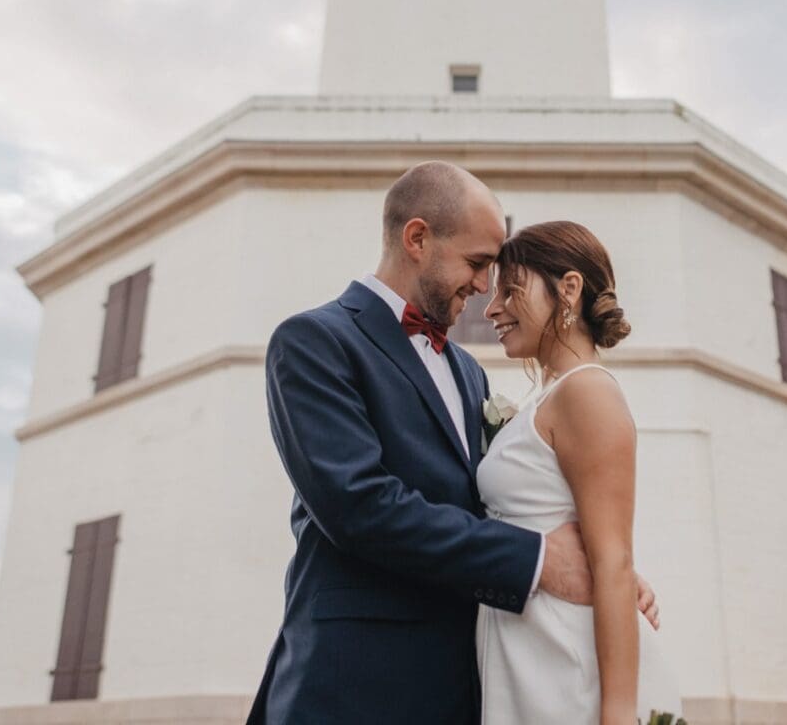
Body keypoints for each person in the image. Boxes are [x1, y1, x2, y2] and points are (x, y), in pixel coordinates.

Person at [247, 162, 658, 724]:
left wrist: (603, 565)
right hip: (354, 681)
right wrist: (538, 560)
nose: (485, 287)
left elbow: (486, 502)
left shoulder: (469, 373)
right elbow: (357, 505)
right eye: (478, 263)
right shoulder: (315, 341)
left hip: (467, 684)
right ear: (417, 239)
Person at [477, 220, 682, 724]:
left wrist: (617, 714)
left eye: (510, 290)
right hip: (533, 661)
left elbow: (612, 561)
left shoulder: (587, 391)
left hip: (570, 669)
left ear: (568, 288)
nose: (491, 308)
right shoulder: (547, 396)